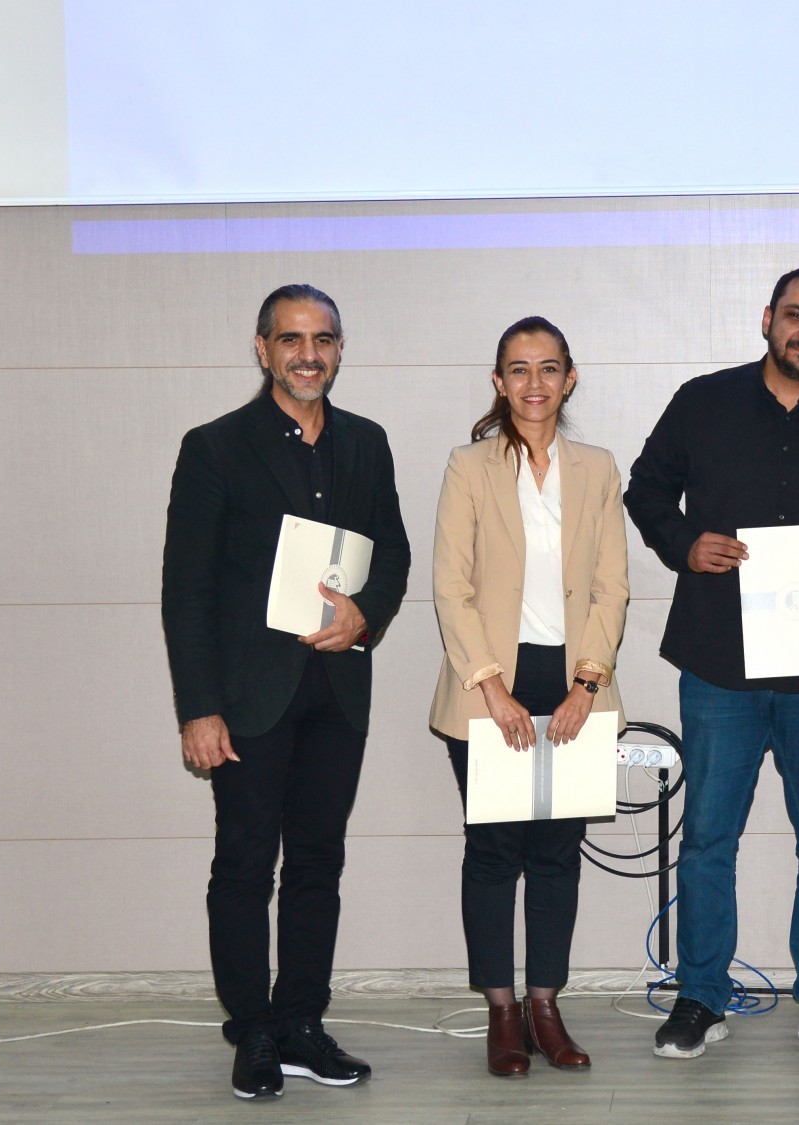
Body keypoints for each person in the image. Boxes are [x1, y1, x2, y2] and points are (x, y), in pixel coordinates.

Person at [625, 267, 799, 1061]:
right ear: (767, 318)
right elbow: (645, 489)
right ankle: (699, 994)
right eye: (795, 315)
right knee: (707, 840)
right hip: (719, 666)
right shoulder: (702, 401)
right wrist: (685, 544)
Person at [162, 284, 412, 1099]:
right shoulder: (215, 447)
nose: (309, 354)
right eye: (292, 339)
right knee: (243, 866)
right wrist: (198, 707)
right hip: (246, 699)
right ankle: (254, 1031)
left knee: (317, 864)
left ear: (340, 349)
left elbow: (393, 553)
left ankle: (302, 1022)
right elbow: (186, 588)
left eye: (323, 339)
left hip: (337, 692)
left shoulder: (366, 443)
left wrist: (365, 615)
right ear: (262, 348)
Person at [428, 316, 629, 1078]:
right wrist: (492, 686)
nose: (534, 383)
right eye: (518, 368)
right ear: (499, 380)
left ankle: (546, 1005)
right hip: (487, 685)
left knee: (555, 855)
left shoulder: (597, 467)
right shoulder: (468, 466)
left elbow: (612, 586)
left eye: (549, 368)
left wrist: (587, 682)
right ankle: (503, 1011)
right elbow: (450, 585)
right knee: (493, 852)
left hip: (574, 681)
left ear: (569, 379)